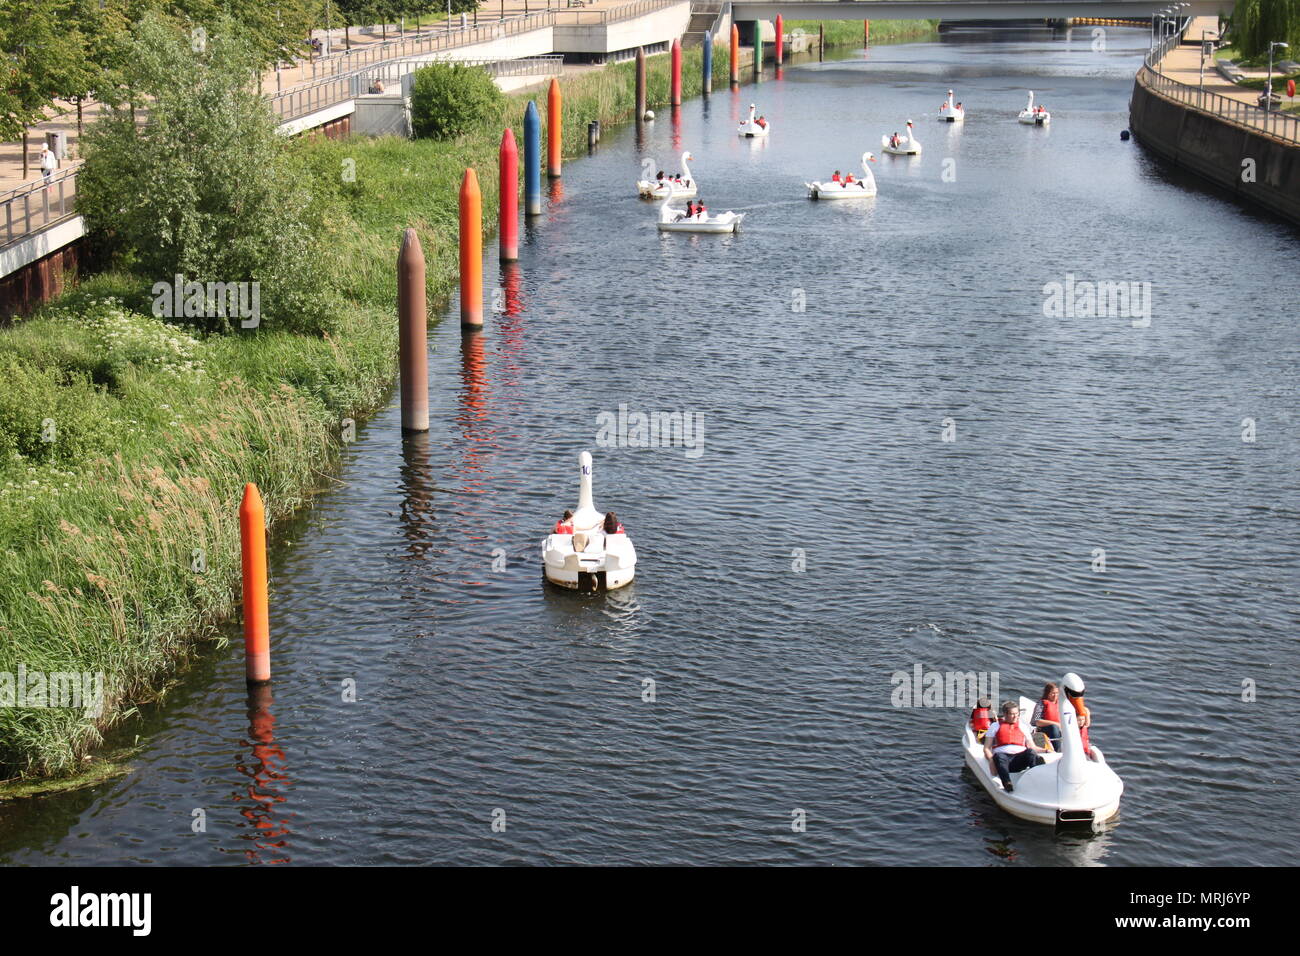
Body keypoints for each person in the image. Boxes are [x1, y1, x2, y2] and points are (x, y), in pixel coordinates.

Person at [982, 700, 1048, 793]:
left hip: (1019, 760)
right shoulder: (995, 726)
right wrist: (991, 760)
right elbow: (986, 748)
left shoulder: (1023, 726)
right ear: (1005, 714)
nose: (1015, 716)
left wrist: (1046, 751)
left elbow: (1033, 747)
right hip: (1004, 760)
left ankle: (1037, 780)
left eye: (1017, 713)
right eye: (1012, 714)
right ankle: (1007, 783)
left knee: (1030, 752)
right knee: (999, 756)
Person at [1062, 672, 1092, 757]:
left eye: (1082, 720)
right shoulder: (1070, 728)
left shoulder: (1084, 727)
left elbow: (1086, 721)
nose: (1081, 722)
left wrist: (1083, 711)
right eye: (1079, 720)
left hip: (1083, 752)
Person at [1031, 681, 1062, 752]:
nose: (1055, 695)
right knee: (1054, 727)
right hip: (1045, 729)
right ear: (1047, 693)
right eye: (1053, 693)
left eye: (1057, 693)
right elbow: (1036, 721)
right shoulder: (1041, 704)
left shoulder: (1061, 704)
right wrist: (1055, 724)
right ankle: (1057, 751)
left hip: (1060, 729)